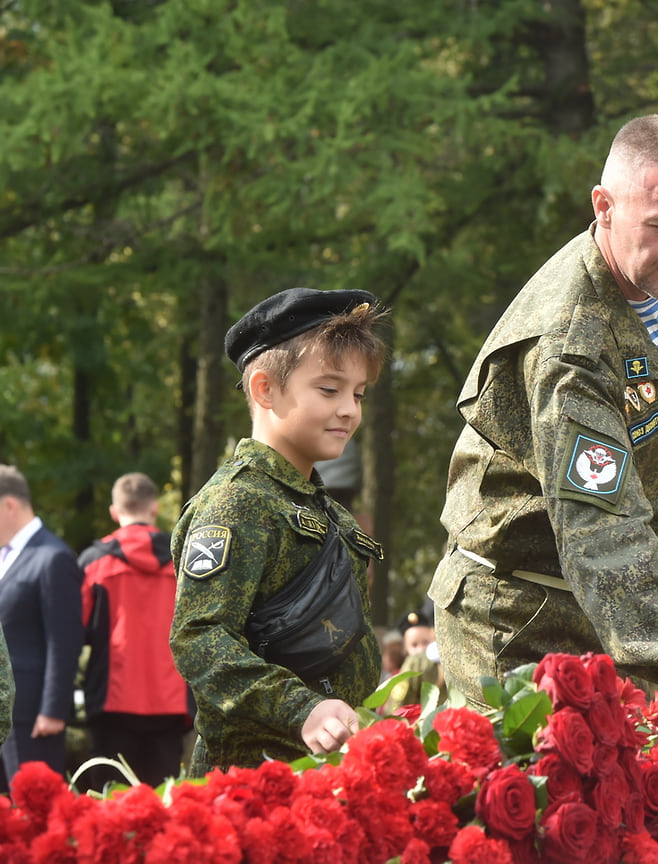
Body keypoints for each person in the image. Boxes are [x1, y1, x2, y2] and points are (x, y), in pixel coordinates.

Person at [429, 114, 658, 749]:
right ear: (603, 207)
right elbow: (599, 529)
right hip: (524, 623)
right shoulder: (571, 344)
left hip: (625, 612)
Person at [169, 288, 388, 773]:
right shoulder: (237, 504)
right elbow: (200, 639)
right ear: (265, 389)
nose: (350, 410)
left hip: (323, 774)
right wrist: (301, 708)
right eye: (329, 390)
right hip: (252, 785)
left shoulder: (325, 508)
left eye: (358, 394)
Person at [78, 472, 193, 789]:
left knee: (109, 804)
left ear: (114, 512)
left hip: (112, 701)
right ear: (154, 508)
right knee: (164, 807)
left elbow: (76, 632)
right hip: (171, 702)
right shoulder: (184, 560)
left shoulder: (94, 562)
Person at [0, 465, 82, 792]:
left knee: (31, 811)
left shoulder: (52, 557)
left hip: (33, 718)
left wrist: (52, 710)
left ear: (9, 505)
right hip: (4, 715)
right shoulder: (5, 558)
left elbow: (64, 640)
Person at [382, 611, 443, 714]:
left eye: (425, 642)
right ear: (405, 650)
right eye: (414, 645)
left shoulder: (440, 667)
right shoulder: (398, 675)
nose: (420, 649)